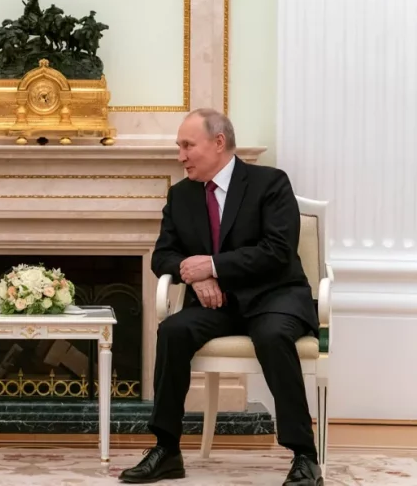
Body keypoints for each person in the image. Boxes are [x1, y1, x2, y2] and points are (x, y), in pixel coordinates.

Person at [118, 108, 322, 485]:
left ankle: (304, 456)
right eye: (179, 146)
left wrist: (212, 266)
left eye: (187, 145)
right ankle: (167, 449)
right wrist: (193, 274)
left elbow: (277, 251)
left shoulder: (270, 183)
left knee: (272, 336)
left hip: (273, 298)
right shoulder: (181, 195)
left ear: (218, 142)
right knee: (173, 331)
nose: (180, 156)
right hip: (218, 304)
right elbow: (162, 255)